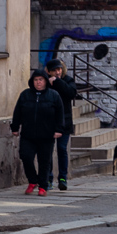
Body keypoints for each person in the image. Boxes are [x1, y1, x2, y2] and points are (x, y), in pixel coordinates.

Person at [10, 70, 64, 195]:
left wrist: (59, 129)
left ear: (45, 81)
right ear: (32, 81)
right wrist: (15, 127)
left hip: (46, 135)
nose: (38, 82)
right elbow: (17, 112)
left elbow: (60, 114)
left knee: (44, 161)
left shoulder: (54, 95)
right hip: (28, 134)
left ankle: (43, 186)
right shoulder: (25, 95)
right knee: (25, 156)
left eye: (41, 79)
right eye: (35, 80)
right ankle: (33, 181)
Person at [44, 59, 79, 191]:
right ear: (48, 71)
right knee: (47, 151)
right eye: (54, 70)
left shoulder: (67, 80)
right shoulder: (45, 81)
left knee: (62, 149)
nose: (58, 72)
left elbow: (71, 93)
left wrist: (58, 82)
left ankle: (63, 178)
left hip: (65, 122)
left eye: (59, 69)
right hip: (49, 122)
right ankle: (48, 179)